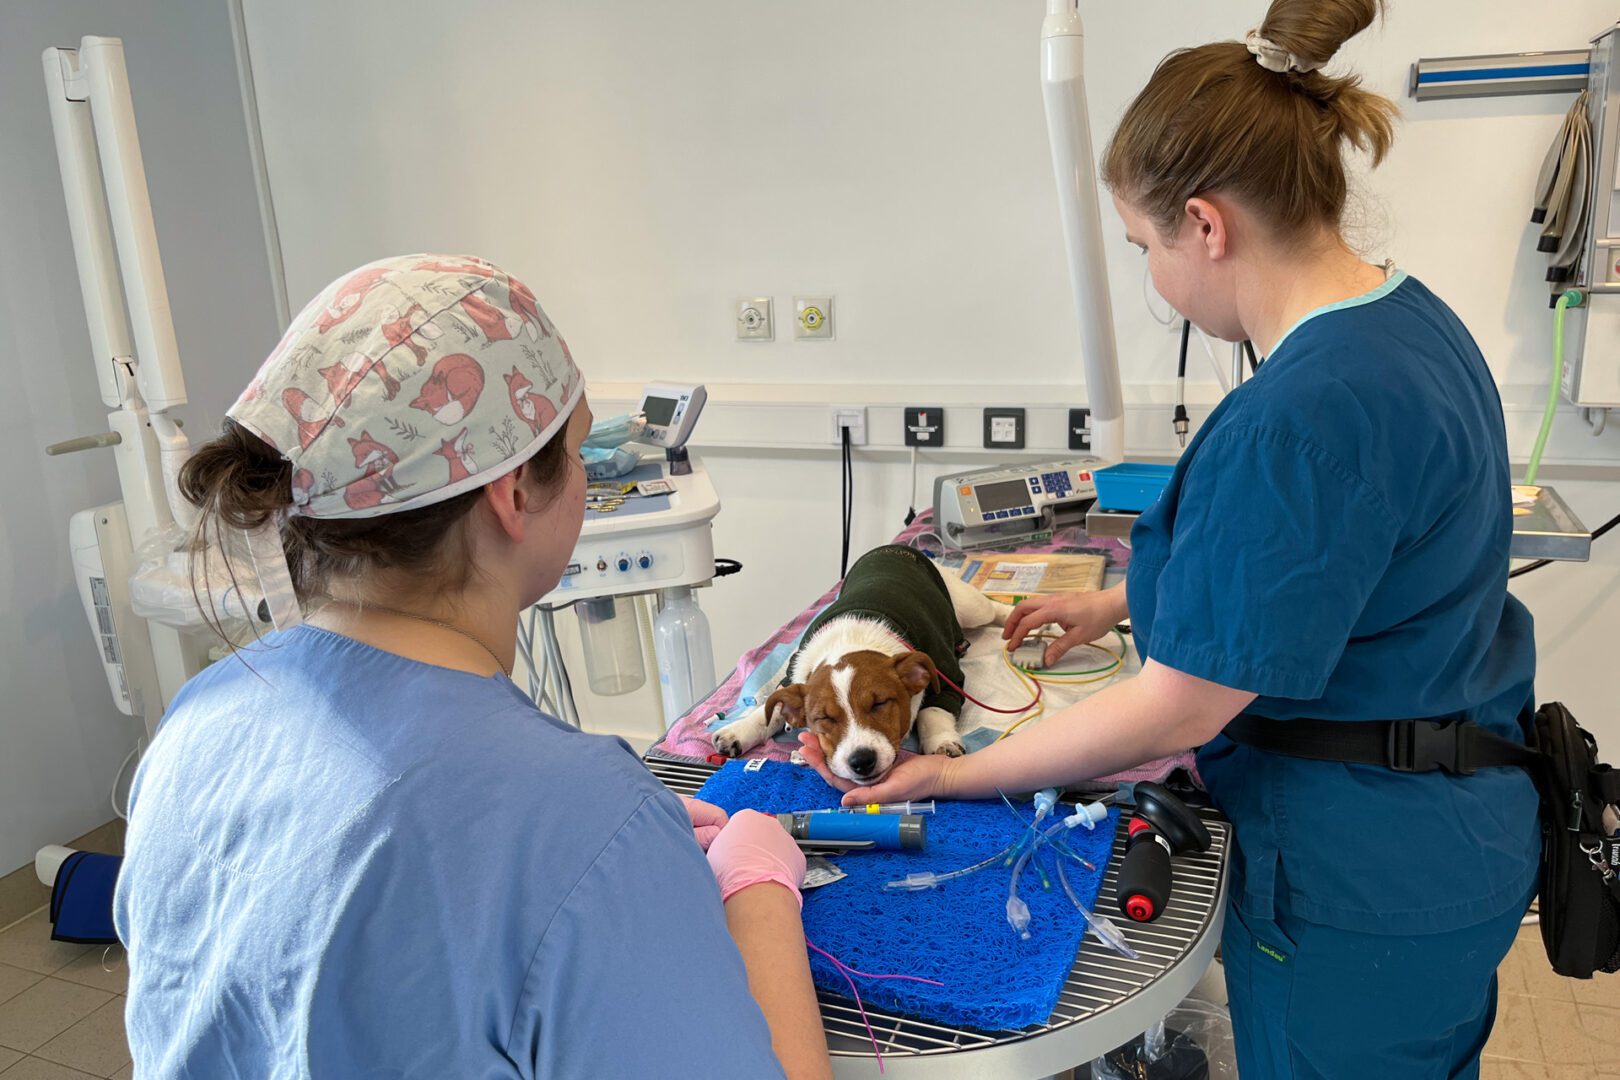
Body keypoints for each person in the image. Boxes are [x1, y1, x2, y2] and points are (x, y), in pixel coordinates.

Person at [797, 3, 1541, 1077]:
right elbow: (1334, 575)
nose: (1152, 277)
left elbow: (1178, 706)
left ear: (1206, 223)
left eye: (1144, 245)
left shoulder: (1301, 414)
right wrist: (1126, 603)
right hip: (1450, 836)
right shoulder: (1409, 320)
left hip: (1358, 874)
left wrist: (954, 774)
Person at [114, 254, 832, 1079]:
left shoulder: (199, 717)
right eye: (577, 454)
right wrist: (760, 889)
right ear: (513, 494)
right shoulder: (583, 824)